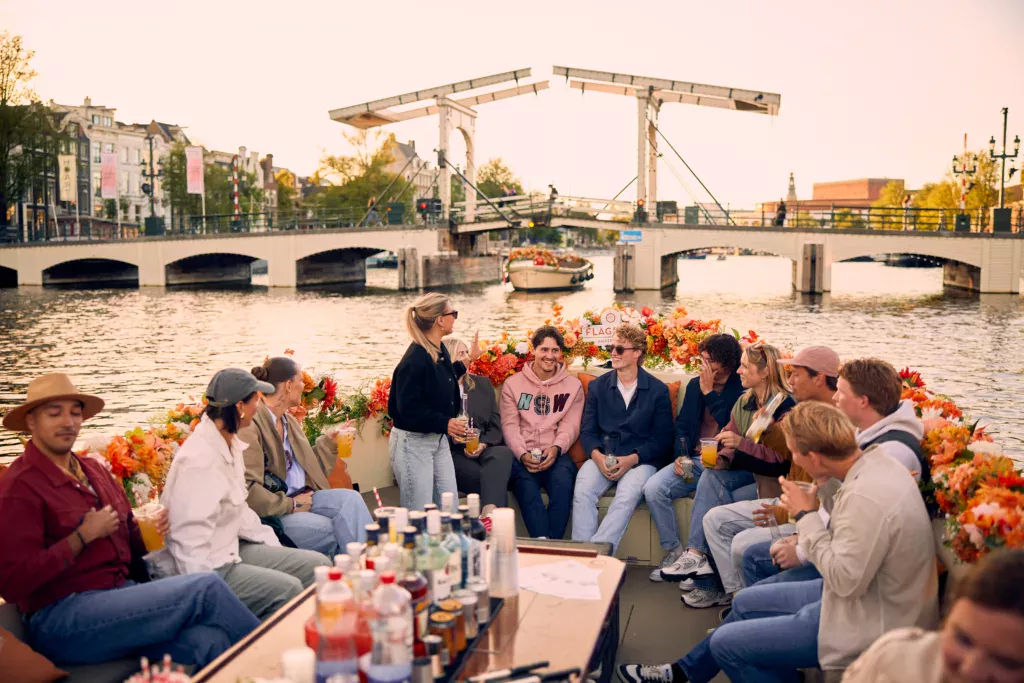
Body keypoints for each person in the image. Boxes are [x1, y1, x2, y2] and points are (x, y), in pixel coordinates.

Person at [618, 401, 938, 683]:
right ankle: (687, 674)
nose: (795, 463)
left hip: (869, 616)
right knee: (744, 602)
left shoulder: (866, 496)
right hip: (861, 594)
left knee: (725, 644)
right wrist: (819, 496)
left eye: (794, 453)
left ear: (812, 455)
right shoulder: (871, 462)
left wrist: (807, 514)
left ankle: (694, 671)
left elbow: (844, 580)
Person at [0, 374, 260, 669]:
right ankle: (277, 668)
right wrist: (81, 537)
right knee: (205, 587)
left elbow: (131, 542)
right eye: (54, 413)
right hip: (62, 617)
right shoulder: (20, 486)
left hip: (118, 595)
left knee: (210, 641)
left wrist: (144, 531)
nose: (68, 422)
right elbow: (12, 583)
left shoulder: (92, 471)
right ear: (31, 422)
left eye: (75, 412)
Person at [740, 356, 925, 589]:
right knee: (752, 555)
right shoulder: (867, 435)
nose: (836, 397)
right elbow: (842, 510)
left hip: (866, 579)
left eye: (841, 392)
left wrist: (801, 547)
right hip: (829, 541)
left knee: (752, 561)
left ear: (863, 401)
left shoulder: (892, 452)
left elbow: (855, 542)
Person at [162, 368, 330, 621]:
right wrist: (205, 598)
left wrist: (277, 547)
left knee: (319, 567)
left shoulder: (231, 444)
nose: (259, 405)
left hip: (235, 545)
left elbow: (241, 513)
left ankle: (324, 637)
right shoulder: (199, 462)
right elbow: (188, 544)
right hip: (211, 566)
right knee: (289, 588)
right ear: (240, 406)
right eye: (256, 399)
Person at [697, 346, 840, 601]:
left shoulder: (822, 418)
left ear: (818, 378)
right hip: (786, 501)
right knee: (713, 514)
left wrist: (757, 436)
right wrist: (724, 456)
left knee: (743, 543)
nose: (791, 380)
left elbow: (784, 465)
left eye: (796, 374)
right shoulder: (780, 407)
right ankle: (735, 595)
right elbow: (780, 450)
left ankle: (745, 601)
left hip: (796, 508)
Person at [659, 342, 794, 609]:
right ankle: (704, 567)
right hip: (751, 476)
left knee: (715, 495)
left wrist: (739, 445)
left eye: (745, 366)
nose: (740, 371)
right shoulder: (745, 401)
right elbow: (730, 435)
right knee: (711, 478)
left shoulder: (783, 407)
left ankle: (709, 577)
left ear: (765, 371)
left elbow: (780, 462)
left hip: (775, 485)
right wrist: (722, 458)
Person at [239, 356, 373, 556]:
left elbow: (310, 471)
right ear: (288, 386)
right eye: (300, 381)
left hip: (305, 496)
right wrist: (292, 504)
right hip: (277, 511)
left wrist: (329, 442)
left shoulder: (288, 422)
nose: (303, 385)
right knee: (338, 528)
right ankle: (368, 570)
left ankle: (369, 565)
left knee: (351, 499)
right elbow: (248, 491)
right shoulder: (251, 426)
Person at [644, 333, 744, 581]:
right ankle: (676, 553)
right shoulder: (693, 385)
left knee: (709, 485)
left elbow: (731, 426)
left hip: (723, 465)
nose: (703, 365)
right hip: (694, 460)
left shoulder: (741, 390)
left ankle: (697, 559)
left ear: (725, 364)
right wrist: (680, 456)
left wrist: (709, 392)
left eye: (708, 360)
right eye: (702, 358)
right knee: (653, 489)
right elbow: (683, 427)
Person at [844, 549, 1024, 683]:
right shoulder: (893, 659)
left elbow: (847, 580)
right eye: (963, 639)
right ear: (944, 623)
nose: (971, 669)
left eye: (1005, 662)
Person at [572, 324, 673, 552]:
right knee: (582, 491)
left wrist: (632, 459)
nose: (613, 353)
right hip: (603, 456)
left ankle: (598, 553)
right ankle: (581, 554)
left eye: (620, 349)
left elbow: (663, 439)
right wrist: (597, 457)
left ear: (637, 352)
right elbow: (587, 431)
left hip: (640, 460)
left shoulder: (657, 391)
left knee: (626, 497)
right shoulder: (599, 386)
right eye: (611, 348)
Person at [388, 293, 481, 510]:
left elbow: (444, 379)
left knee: (449, 509)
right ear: (440, 319)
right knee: (418, 513)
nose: (455, 318)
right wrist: (446, 423)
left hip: (437, 441)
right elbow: (407, 410)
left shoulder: (437, 350)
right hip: (413, 444)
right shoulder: (414, 360)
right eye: (453, 313)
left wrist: (469, 359)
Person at [502, 325, 585, 539]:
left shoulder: (573, 386)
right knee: (527, 489)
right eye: (544, 350)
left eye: (555, 350)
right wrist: (522, 453)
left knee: (563, 484)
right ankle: (544, 542)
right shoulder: (512, 385)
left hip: (556, 452)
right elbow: (510, 426)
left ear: (561, 353)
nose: (550, 356)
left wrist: (557, 448)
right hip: (523, 453)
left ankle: (551, 543)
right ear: (534, 350)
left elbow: (571, 425)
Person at [442, 337, 516, 510]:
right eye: (460, 354)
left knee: (503, 453)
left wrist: (482, 444)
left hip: (481, 445)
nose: (466, 357)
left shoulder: (482, 384)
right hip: (454, 452)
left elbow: (495, 425)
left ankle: (488, 515)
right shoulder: (439, 390)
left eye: (466, 352)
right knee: (489, 478)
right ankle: (491, 516)